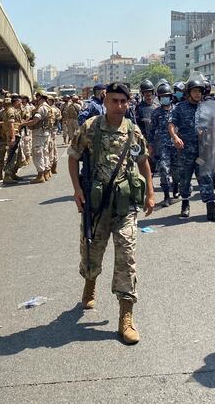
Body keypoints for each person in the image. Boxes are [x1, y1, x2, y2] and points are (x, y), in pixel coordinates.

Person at [68, 82, 155, 345]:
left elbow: (143, 162)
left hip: (125, 205)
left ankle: (126, 317)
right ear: (105, 101)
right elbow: (73, 157)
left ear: (129, 103)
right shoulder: (90, 127)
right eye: (114, 101)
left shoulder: (133, 130)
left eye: (123, 102)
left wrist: (150, 192)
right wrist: (77, 190)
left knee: (127, 255)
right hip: (96, 205)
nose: (119, 106)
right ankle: (90, 280)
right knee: (92, 251)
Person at [168, 78, 215, 222]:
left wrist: (210, 132)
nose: (198, 94)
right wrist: (175, 137)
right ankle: (185, 204)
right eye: (194, 91)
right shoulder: (180, 107)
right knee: (185, 179)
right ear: (189, 92)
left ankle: (211, 209)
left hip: (203, 150)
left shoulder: (206, 108)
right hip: (186, 150)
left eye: (199, 91)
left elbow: (214, 126)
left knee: (206, 178)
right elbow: (172, 123)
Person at [149, 82, 177, 206]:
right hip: (162, 147)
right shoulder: (156, 113)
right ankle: (166, 196)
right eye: (162, 97)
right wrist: (150, 146)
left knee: (177, 172)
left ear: (171, 97)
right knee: (164, 171)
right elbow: (151, 131)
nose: (164, 98)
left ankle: (176, 186)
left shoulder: (177, 110)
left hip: (177, 146)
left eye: (166, 96)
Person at [22, 90, 53, 184]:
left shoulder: (42, 108)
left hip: (39, 133)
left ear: (40, 97)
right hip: (45, 132)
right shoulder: (47, 107)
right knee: (45, 152)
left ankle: (40, 175)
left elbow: (35, 121)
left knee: (37, 153)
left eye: (37, 97)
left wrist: (23, 124)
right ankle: (46, 172)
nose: (36, 98)